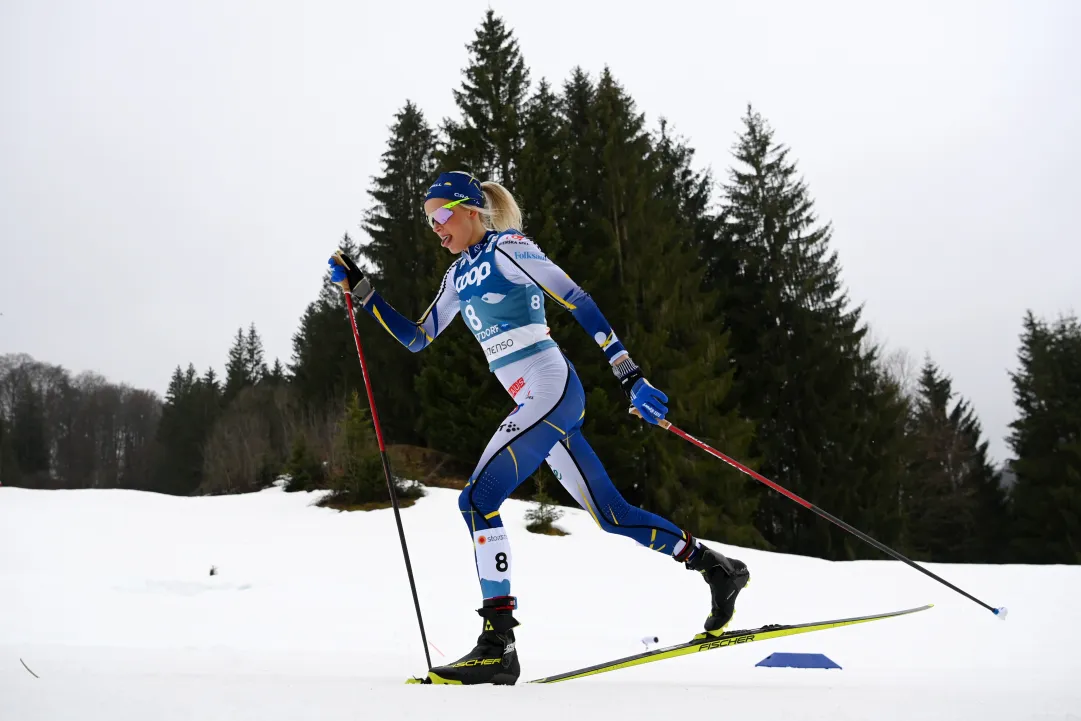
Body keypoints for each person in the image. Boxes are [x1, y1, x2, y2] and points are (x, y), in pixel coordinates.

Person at [329, 170, 750, 685]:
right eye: (428, 221)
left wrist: (629, 374)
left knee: (476, 501)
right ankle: (716, 568)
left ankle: (497, 645)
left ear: (469, 209)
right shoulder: (458, 276)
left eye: (441, 216)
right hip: (540, 401)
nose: (436, 229)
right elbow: (418, 338)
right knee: (612, 514)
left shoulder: (509, 247)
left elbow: (578, 299)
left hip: (549, 388)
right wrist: (364, 291)